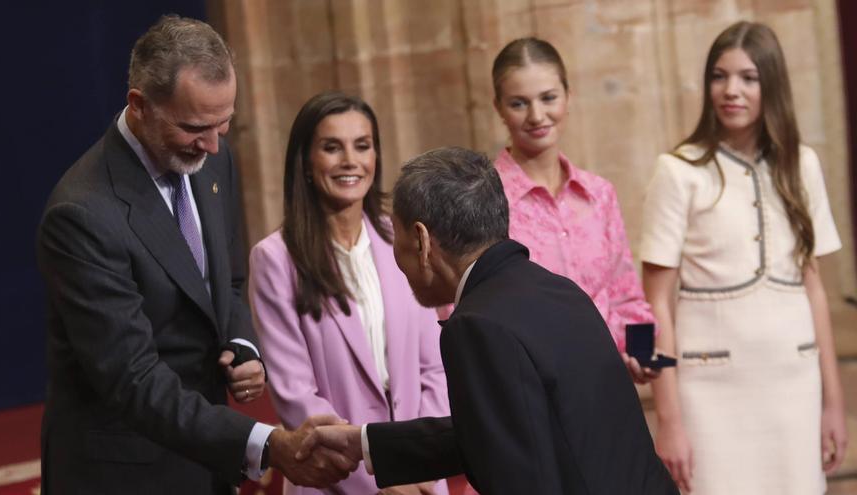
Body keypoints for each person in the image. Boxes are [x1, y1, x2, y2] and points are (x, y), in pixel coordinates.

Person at [36, 15, 355, 494]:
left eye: (224, 123)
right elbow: (135, 379)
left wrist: (242, 342)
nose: (212, 143)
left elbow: (223, 281)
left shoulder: (212, 159)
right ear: (139, 106)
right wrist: (268, 444)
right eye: (194, 127)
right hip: (125, 471)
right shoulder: (81, 214)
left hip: (204, 461)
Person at [298, 147, 678, 494]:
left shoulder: (475, 325)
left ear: (422, 241)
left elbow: (519, 475)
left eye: (393, 237)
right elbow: (503, 431)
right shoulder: (559, 290)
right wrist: (364, 443)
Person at [641, 21, 848, 494]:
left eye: (748, 78)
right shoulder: (677, 171)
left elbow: (813, 288)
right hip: (709, 391)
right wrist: (667, 419)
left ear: (771, 84)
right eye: (719, 75)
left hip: (794, 385)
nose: (731, 90)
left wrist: (832, 402)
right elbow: (654, 305)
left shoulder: (803, 165)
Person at [249, 92, 450, 495]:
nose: (350, 161)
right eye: (331, 148)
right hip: (336, 482)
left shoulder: (406, 238)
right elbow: (297, 397)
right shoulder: (274, 259)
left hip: (422, 479)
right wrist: (382, 479)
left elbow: (436, 369)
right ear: (306, 161)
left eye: (362, 145)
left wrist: (414, 466)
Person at [489, 37, 657, 381]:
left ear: (568, 97)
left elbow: (628, 298)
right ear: (499, 108)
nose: (537, 116)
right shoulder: (484, 201)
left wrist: (642, 355)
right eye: (519, 103)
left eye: (548, 98)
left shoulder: (599, 195)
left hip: (608, 389)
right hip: (529, 395)